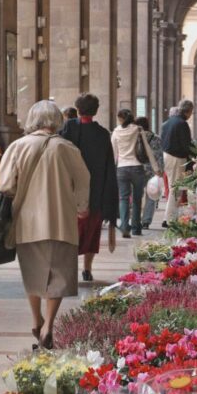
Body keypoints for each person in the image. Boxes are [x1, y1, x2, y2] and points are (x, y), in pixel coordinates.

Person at [0, 100, 91, 350]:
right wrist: (82, 207)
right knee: (58, 274)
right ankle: (49, 324)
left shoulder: (18, 147)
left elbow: (6, 185)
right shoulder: (67, 148)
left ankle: (35, 318)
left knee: (33, 272)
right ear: (56, 121)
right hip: (61, 221)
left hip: (27, 223)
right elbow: (83, 181)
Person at [60, 93, 118, 282]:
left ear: (78, 109)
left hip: (71, 193)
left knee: (69, 234)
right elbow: (110, 166)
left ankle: (68, 269)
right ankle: (87, 269)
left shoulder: (68, 128)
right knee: (91, 234)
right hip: (95, 194)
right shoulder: (102, 134)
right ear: (96, 110)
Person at [111, 109, 160, 238]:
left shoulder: (116, 132)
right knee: (137, 199)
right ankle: (136, 228)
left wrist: (112, 169)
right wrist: (155, 167)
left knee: (123, 198)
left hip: (122, 169)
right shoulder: (138, 129)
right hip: (137, 168)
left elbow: (114, 153)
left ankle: (124, 226)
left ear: (120, 119)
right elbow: (147, 149)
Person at [160, 99, 195, 228]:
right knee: (176, 189)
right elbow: (186, 144)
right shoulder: (182, 124)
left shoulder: (168, 122)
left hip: (166, 156)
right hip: (176, 158)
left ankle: (168, 217)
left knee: (172, 187)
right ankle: (169, 220)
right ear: (189, 111)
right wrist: (195, 156)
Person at [136, 116, 164, 229]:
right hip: (151, 170)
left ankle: (135, 219)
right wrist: (160, 170)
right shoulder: (155, 138)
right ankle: (146, 221)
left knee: (136, 195)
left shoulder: (134, 137)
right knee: (151, 195)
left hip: (137, 169)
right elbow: (158, 156)